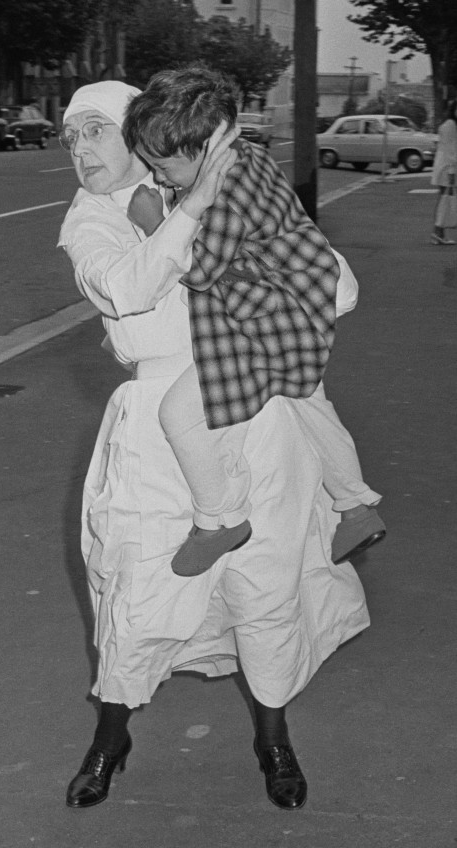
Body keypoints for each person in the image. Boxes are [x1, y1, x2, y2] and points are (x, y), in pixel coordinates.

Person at [57, 80, 370, 813]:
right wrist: (192, 214)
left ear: (139, 137)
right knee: (140, 586)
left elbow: (339, 289)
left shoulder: (222, 180)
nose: (79, 149)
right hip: (157, 434)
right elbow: (124, 287)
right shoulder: (89, 220)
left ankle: (273, 737)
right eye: (70, 137)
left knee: (262, 582)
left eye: (94, 132)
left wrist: (265, 248)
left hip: (257, 414)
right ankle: (111, 737)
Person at [122, 65, 385, 576]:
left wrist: (154, 222)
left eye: (163, 166)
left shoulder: (226, 189)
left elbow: (198, 269)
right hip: (293, 304)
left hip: (270, 318)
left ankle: (220, 517)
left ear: (202, 151)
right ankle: (355, 506)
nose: (156, 176)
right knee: (308, 399)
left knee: (180, 413)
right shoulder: (248, 158)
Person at [431, 100, 457, 245]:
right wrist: (452, 172)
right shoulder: (451, 126)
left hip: (443, 167)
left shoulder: (448, 124)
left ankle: (438, 233)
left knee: (444, 200)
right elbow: (451, 150)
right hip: (447, 169)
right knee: (445, 201)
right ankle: (438, 232)